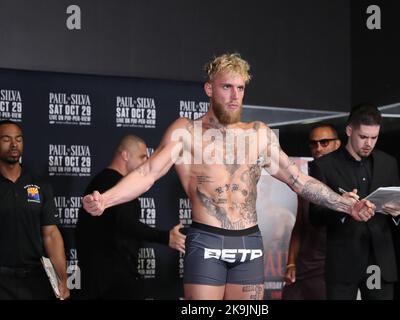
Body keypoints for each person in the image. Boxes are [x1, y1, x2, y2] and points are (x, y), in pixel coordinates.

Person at [82, 53, 375, 300]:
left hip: (249, 243)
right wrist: (105, 199)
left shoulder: (258, 134)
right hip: (206, 241)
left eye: (241, 88)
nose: (235, 96)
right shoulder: (187, 132)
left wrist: (345, 204)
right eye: (227, 87)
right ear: (209, 89)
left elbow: (297, 180)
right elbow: (148, 173)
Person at [309, 104, 400, 300]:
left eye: (374, 137)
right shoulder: (324, 166)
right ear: (349, 131)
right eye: (363, 137)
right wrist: (343, 207)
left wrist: (399, 213)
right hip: (343, 264)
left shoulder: (389, 163)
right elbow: (315, 216)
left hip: (378, 262)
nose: (369, 143)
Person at [75, 134, 186, 299]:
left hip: (107, 277)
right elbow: (126, 223)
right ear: (125, 155)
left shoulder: (105, 180)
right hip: (109, 281)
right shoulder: (112, 183)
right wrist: (165, 237)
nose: (146, 162)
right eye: (143, 157)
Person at [0, 120, 70, 300]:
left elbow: (51, 234)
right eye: (6, 139)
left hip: (35, 280)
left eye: (19, 139)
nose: (14, 144)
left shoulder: (40, 185)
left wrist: (62, 279)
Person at [283, 123, 341, 300]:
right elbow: (300, 223)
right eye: (314, 143)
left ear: (337, 144)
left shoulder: (346, 177)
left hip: (333, 263)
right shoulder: (305, 181)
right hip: (306, 262)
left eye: (324, 142)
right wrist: (291, 262)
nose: (318, 148)